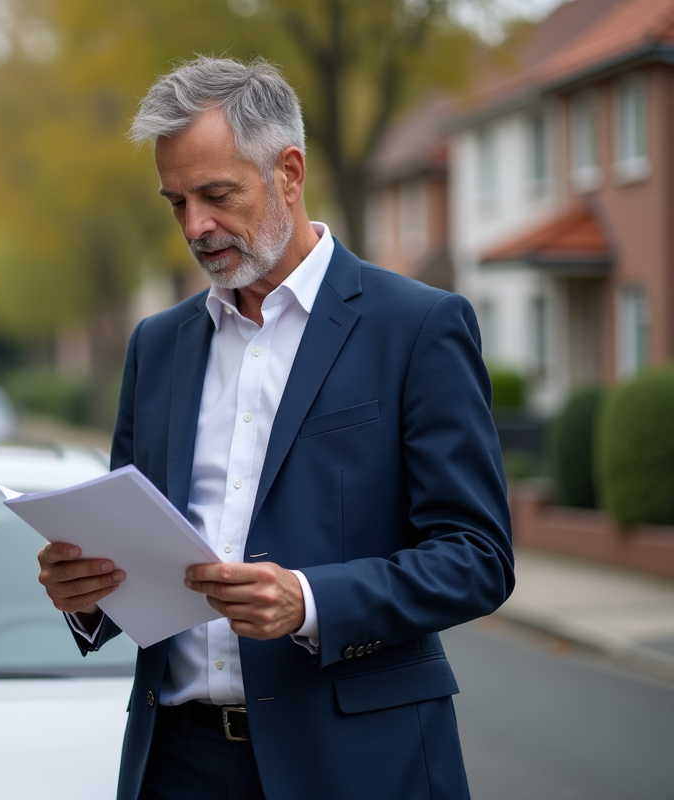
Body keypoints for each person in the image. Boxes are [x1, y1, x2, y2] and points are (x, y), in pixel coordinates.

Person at [37, 57, 513, 800]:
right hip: (178, 767)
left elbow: (478, 556)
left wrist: (311, 600)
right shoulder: (155, 347)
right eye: (176, 203)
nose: (196, 226)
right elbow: (136, 540)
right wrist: (88, 594)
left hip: (359, 764)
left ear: (289, 172)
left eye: (217, 195)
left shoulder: (417, 327)